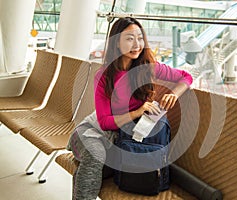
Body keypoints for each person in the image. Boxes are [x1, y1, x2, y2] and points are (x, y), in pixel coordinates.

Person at [67, 17, 193, 200]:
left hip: (118, 139)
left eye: (140, 38)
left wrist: (174, 94)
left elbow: (186, 77)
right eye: (129, 38)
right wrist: (137, 112)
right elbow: (103, 123)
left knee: (106, 169)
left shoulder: (148, 68)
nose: (137, 44)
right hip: (91, 132)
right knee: (96, 156)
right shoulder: (104, 75)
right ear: (116, 42)